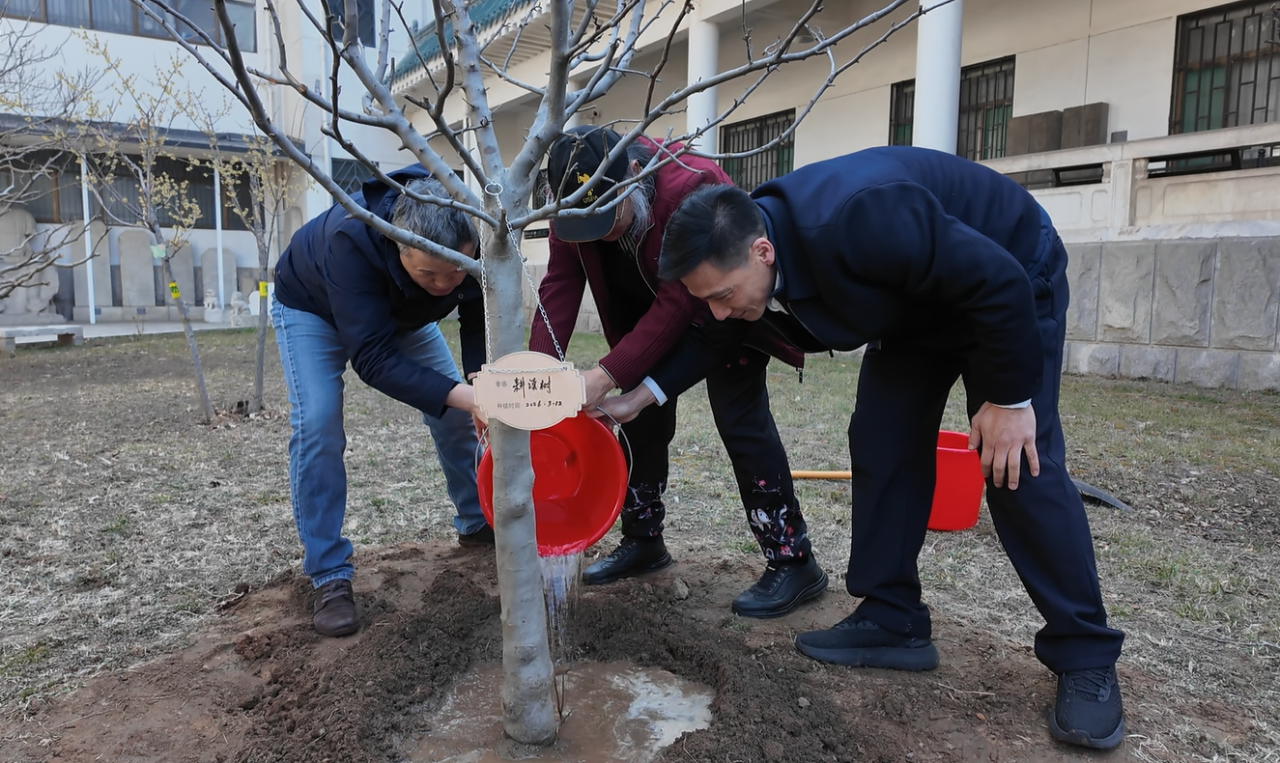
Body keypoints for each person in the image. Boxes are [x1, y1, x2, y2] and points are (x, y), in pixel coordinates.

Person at [603, 146, 1127, 750]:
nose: (718, 310)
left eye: (721, 294)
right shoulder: (753, 249)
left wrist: (1010, 401)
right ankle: (891, 616)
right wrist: (638, 398)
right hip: (917, 308)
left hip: (1009, 277)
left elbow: (997, 279)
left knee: (1014, 466)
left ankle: (1085, 654)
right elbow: (715, 334)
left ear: (761, 252)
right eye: (707, 300)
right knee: (881, 440)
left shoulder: (857, 218)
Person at [530, 125, 828, 618]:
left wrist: (605, 373)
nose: (600, 233)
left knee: (740, 419)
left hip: (720, 313)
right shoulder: (572, 200)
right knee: (636, 420)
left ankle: (793, 560)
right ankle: (644, 539)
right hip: (636, 318)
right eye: (584, 225)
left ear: (632, 177)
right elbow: (561, 281)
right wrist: (537, 379)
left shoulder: (690, 183)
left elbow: (679, 299)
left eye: (609, 218)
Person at [272, 166, 492, 638]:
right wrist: (466, 394)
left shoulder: (466, 230)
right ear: (399, 244)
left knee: (459, 413)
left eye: (457, 271)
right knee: (318, 422)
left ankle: (478, 522)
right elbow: (371, 358)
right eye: (430, 273)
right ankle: (329, 575)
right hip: (313, 306)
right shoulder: (351, 239)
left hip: (402, 317)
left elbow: (476, 311)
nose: (445, 284)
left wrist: (479, 381)